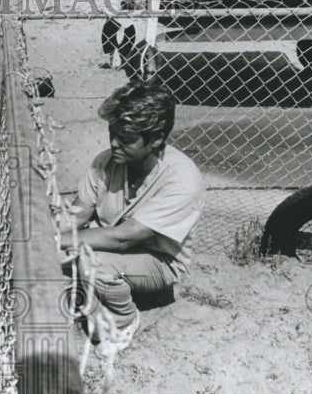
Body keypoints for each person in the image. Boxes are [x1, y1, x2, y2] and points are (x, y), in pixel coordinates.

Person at [62, 80, 205, 340]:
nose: (114, 144)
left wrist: (58, 241)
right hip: (111, 246)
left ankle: (124, 319)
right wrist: (41, 233)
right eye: (112, 134)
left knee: (89, 263)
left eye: (126, 139)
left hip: (158, 262)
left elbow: (126, 237)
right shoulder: (106, 163)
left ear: (156, 139)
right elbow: (78, 214)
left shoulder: (182, 179)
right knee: (57, 257)